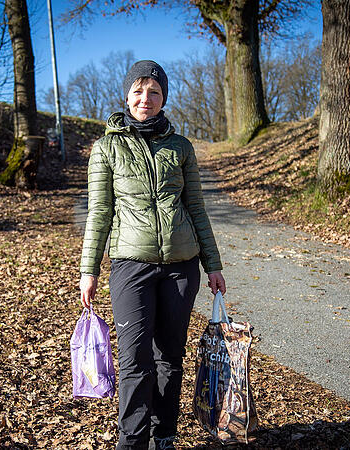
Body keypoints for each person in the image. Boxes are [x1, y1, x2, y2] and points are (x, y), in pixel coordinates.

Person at [79, 60, 226, 450]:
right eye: (139, 91)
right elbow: (100, 212)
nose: (146, 98)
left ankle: (165, 437)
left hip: (182, 267)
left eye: (155, 92)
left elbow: (196, 208)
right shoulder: (107, 147)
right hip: (131, 265)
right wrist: (88, 269)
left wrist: (213, 265)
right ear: (127, 95)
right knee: (134, 359)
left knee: (170, 357)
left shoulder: (181, 147)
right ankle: (131, 442)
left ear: (164, 99)